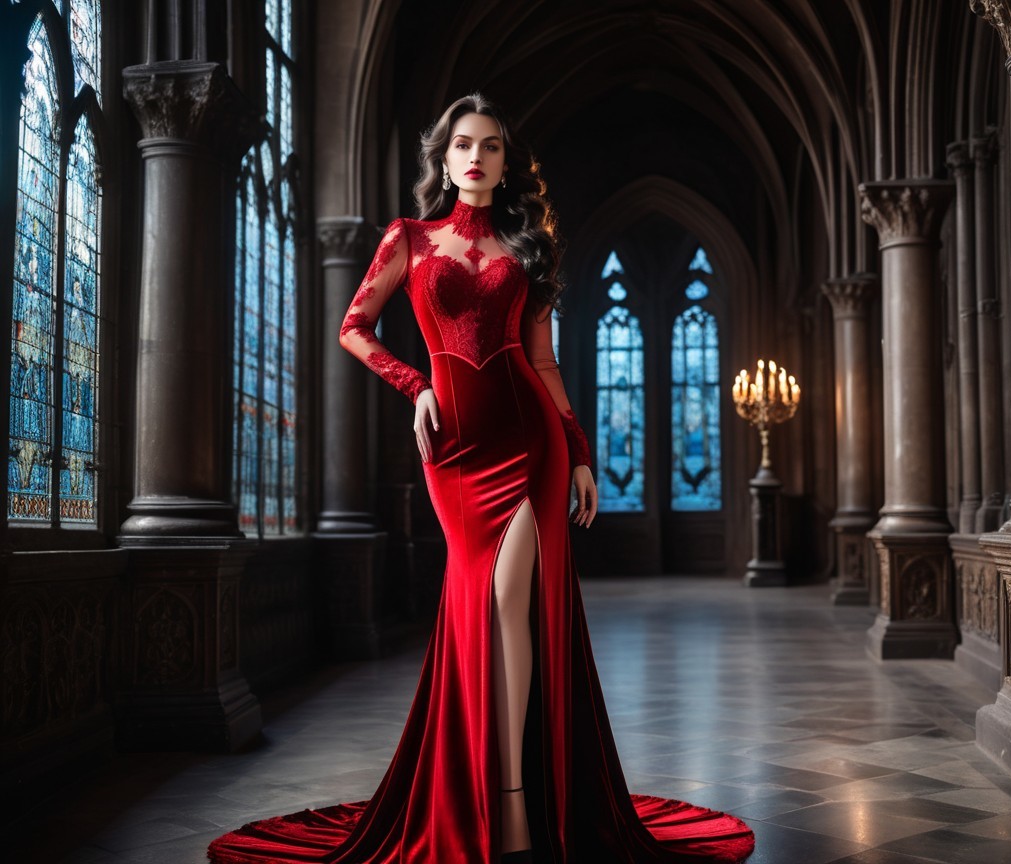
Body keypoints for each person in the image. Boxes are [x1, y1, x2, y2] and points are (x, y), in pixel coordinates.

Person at [208, 94, 754, 864]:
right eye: (463, 144)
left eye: (491, 146)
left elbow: (543, 361)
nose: (476, 157)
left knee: (509, 600)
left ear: (505, 161)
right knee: (479, 599)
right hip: (455, 451)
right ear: (442, 157)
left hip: (529, 440)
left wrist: (583, 452)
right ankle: (489, 789)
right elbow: (352, 328)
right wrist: (414, 386)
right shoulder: (410, 238)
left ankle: (515, 801)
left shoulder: (527, 248)